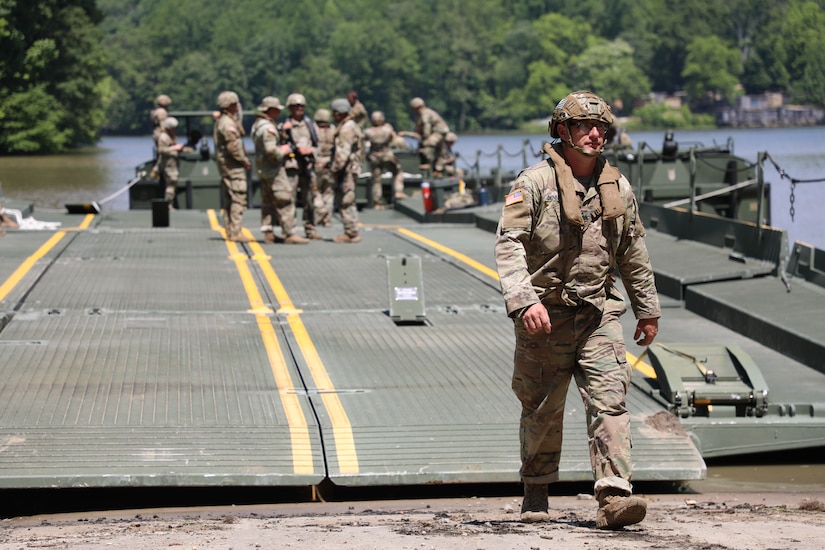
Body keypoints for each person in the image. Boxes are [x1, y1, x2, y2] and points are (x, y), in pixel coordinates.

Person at [493, 90, 661, 529]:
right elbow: (509, 244)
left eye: (600, 127)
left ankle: (613, 495)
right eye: (584, 126)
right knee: (542, 409)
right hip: (544, 317)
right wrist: (523, 299)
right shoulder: (533, 183)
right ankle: (536, 491)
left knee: (611, 401)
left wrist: (647, 309)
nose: (593, 134)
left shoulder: (618, 187)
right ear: (562, 131)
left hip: (597, 314)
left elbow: (632, 250)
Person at [251, 96, 308, 245]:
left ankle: (268, 232)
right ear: (271, 110)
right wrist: (283, 150)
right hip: (273, 169)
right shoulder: (268, 128)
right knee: (285, 198)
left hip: (263, 169)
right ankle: (289, 233)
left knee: (268, 201)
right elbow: (271, 151)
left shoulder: (257, 125)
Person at [279, 93, 320, 240]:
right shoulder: (284, 125)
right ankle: (289, 230)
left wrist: (310, 151)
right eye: (296, 106)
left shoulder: (311, 125)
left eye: (301, 106)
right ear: (290, 108)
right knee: (290, 199)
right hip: (292, 165)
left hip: (307, 165)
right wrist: (283, 131)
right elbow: (277, 145)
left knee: (309, 199)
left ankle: (310, 228)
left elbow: (319, 146)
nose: (299, 109)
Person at [213, 90, 252, 243]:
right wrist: (244, 161)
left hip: (226, 165)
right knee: (238, 197)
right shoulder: (228, 124)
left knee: (229, 198)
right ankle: (235, 231)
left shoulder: (223, 121)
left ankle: (230, 230)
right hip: (232, 166)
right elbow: (233, 147)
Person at [328, 98, 363, 243]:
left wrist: (333, 170)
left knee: (345, 199)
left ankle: (351, 233)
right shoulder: (352, 125)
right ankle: (352, 230)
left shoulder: (346, 129)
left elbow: (343, 153)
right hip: (352, 167)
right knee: (348, 199)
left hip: (347, 169)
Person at [364, 111, 407, 209]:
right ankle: (399, 191)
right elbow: (394, 140)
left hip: (374, 157)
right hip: (387, 155)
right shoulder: (387, 129)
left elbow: (363, 141)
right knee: (397, 172)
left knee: (376, 180)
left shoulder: (368, 132)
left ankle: (377, 203)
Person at [399, 97, 449, 177]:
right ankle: (437, 169)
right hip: (441, 132)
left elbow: (427, 126)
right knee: (440, 151)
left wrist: (426, 138)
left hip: (438, 132)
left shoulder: (425, 113)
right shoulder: (427, 112)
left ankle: (427, 163)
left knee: (427, 144)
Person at [312, 108, 336, 227]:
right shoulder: (334, 130)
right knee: (328, 193)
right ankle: (327, 220)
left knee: (314, 191)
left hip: (316, 163)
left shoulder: (312, 129)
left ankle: (321, 212)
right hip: (330, 164)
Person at [156, 116, 184, 207]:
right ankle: (168, 205)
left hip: (172, 163)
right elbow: (161, 150)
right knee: (171, 184)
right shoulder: (163, 137)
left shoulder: (171, 136)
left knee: (172, 184)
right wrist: (174, 148)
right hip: (168, 164)